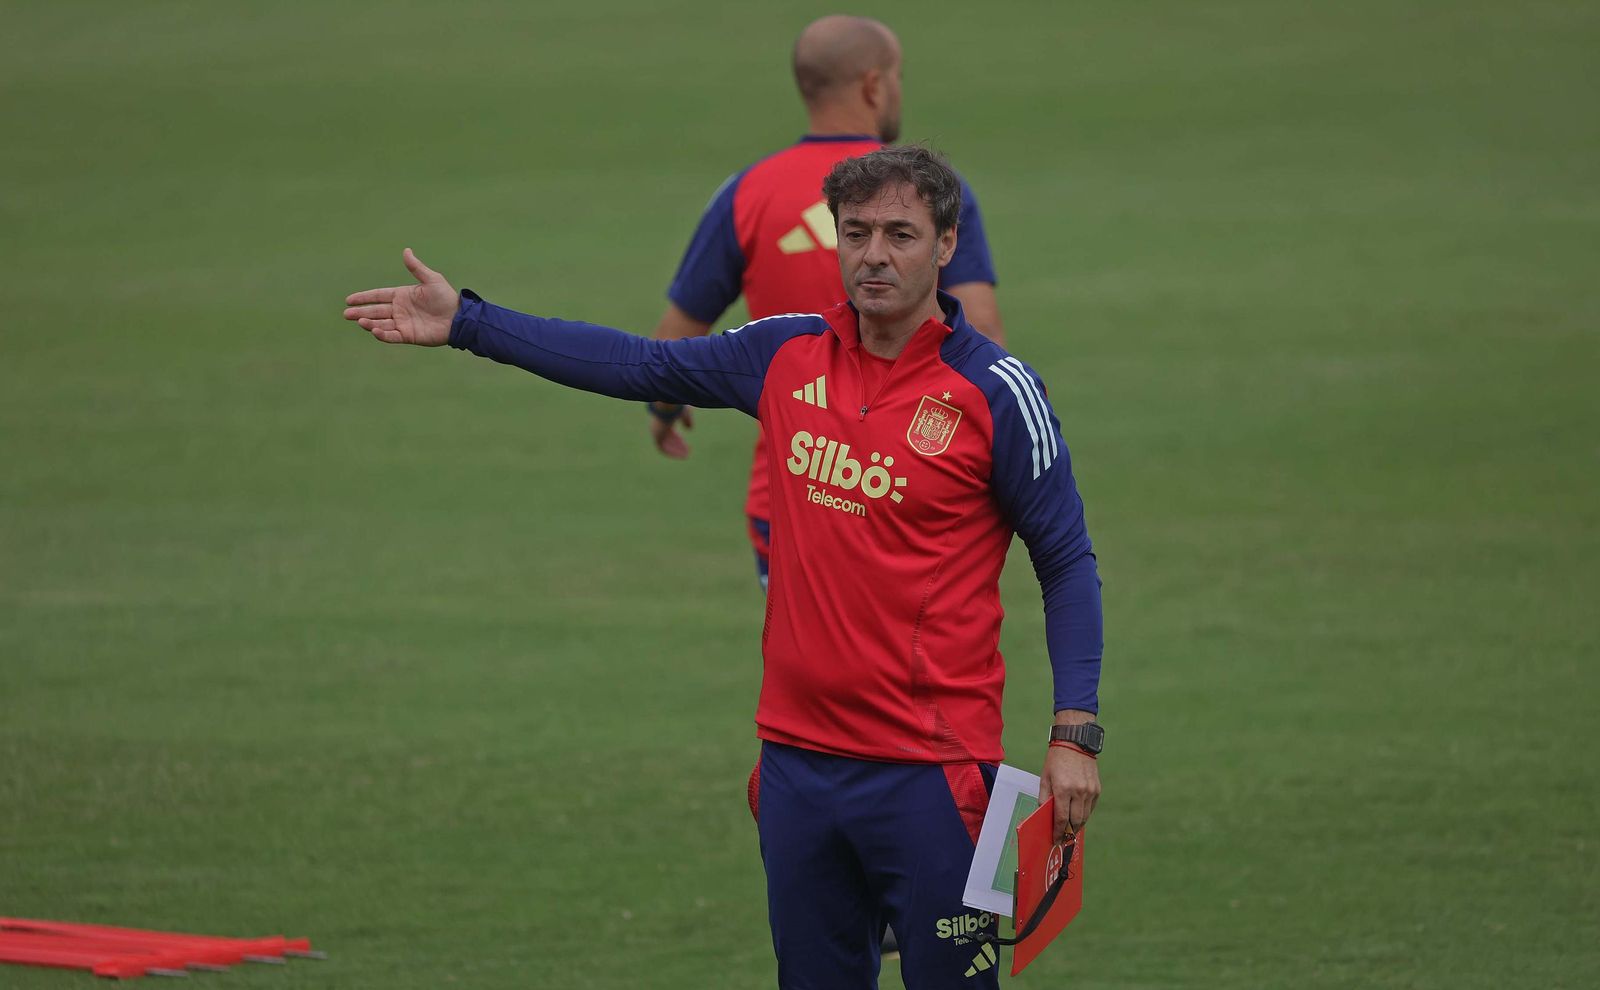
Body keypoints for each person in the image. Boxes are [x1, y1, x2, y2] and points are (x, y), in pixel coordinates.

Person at [342, 146, 1104, 990]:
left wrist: (1074, 732)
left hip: (938, 781)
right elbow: (639, 363)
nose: (875, 255)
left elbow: (1065, 559)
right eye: (856, 233)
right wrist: (469, 324)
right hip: (797, 770)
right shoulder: (783, 354)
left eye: (900, 234)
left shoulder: (995, 392)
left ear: (947, 245)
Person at [646, 15, 1003, 593]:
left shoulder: (747, 192)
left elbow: (670, 347)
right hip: (909, 489)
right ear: (873, 86)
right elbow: (983, 333)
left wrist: (664, 413)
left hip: (792, 492)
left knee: (811, 666)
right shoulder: (927, 195)